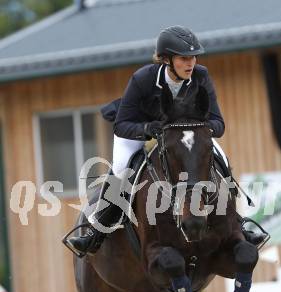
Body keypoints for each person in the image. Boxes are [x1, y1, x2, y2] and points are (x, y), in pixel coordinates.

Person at [65, 26, 265, 257]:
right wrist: (147, 128)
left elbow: (218, 124)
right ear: (166, 59)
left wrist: (199, 131)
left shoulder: (201, 76)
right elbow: (121, 125)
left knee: (218, 158)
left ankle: (236, 223)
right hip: (140, 130)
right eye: (184, 58)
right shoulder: (143, 79)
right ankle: (96, 229)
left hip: (185, 135)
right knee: (121, 169)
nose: (191, 63)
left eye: (193, 57)